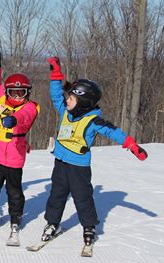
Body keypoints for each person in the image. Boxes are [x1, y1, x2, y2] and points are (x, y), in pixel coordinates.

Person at [41, 57, 148, 246]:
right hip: (60, 163)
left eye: (72, 98)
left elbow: (112, 131)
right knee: (56, 195)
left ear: (83, 103)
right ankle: (52, 223)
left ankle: (89, 226)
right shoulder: (66, 111)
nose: (67, 100)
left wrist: (131, 144)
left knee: (83, 198)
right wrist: (56, 75)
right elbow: (56, 95)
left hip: (79, 167)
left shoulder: (92, 121)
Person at [0, 49, 40, 237]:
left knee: (14, 191)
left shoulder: (29, 107)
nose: (16, 96)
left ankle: (16, 217)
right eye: (12, 92)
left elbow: (25, 116)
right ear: (7, 92)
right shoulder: (1, 99)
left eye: (21, 92)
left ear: (27, 93)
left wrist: (14, 119)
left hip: (14, 155)